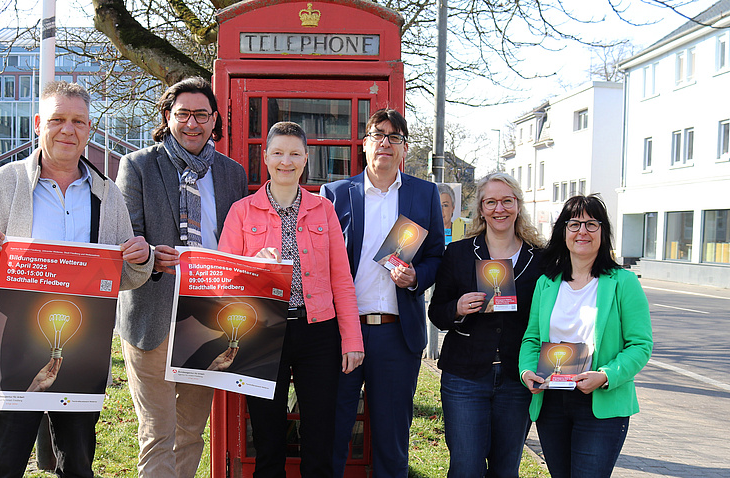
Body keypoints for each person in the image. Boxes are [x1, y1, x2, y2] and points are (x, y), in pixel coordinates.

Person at [0, 80, 153, 478]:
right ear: (39, 124)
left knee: (77, 465)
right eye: (58, 119)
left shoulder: (108, 195)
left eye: (78, 121)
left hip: (83, 348)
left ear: (89, 129)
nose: (68, 129)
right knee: (2, 464)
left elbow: (125, 275)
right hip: (17, 347)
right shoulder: (3, 184)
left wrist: (141, 258)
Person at [115, 76, 248, 478]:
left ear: (214, 121)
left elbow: (237, 240)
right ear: (167, 116)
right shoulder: (138, 166)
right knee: (158, 430)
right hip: (153, 314)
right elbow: (125, 239)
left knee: (191, 432)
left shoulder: (232, 173)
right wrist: (153, 257)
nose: (193, 123)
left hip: (207, 318)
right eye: (183, 114)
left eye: (202, 115)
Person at [218, 121, 364, 477]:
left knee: (319, 434)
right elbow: (222, 278)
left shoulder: (322, 210)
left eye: (295, 154)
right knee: (268, 437)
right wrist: (253, 268)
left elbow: (341, 279)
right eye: (279, 153)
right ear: (265, 157)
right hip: (263, 331)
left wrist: (352, 338)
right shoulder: (242, 211)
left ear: (306, 159)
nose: (287, 161)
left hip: (318, 332)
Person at [320, 108, 444, 478]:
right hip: (344, 330)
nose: (385, 143)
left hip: (396, 331)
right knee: (334, 431)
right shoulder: (336, 194)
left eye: (395, 137)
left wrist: (416, 277)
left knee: (392, 440)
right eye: (378, 135)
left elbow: (437, 253)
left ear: (404, 147)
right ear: (364, 144)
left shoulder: (424, 194)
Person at [519, 194, 652, 478]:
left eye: (592, 224)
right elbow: (532, 338)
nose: (582, 231)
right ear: (562, 232)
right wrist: (527, 370)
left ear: (603, 232)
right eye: (574, 224)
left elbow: (640, 345)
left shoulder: (623, 282)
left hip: (600, 403)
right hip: (552, 401)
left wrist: (604, 376)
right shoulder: (547, 283)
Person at [428, 172, 545, 477]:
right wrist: (457, 308)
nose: (499, 209)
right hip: (465, 376)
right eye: (490, 202)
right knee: (465, 467)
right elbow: (437, 312)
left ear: (518, 205)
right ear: (480, 209)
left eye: (507, 201)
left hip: (516, 376)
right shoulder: (459, 253)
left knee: (506, 470)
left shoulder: (541, 259)